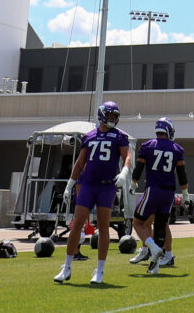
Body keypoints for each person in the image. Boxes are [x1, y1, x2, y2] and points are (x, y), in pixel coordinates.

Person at [53, 100, 131, 285]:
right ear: (102, 115)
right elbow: (80, 163)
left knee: (103, 226)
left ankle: (100, 270)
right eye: (110, 115)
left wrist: (125, 172)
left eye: (115, 116)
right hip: (88, 183)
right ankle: (67, 267)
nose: (112, 118)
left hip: (106, 185)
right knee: (78, 223)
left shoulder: (119, 136)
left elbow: (127, 156)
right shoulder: (89, 136)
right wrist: (70, 184)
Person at [129, 117, 187, 274]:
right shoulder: (177, 148)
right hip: (169, 193)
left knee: (137, 222)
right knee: (160, 225)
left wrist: (133, 183)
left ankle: (153, 249)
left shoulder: (148, 146)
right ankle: (155, 265)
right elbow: (182, 174)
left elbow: (139, 168)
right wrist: (186, 194)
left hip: (153, 190)